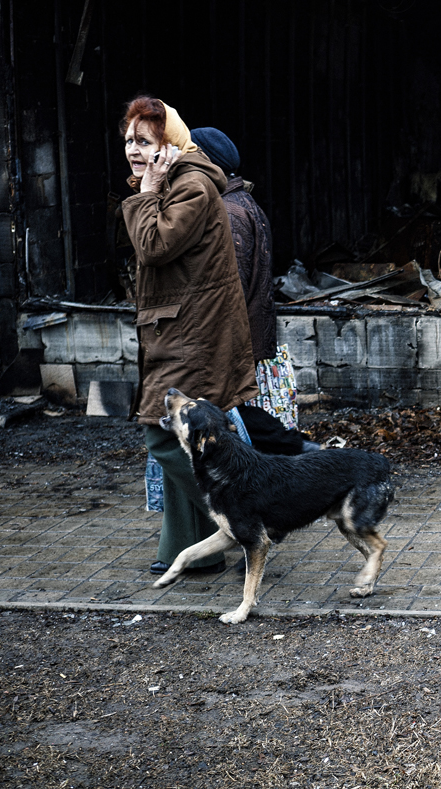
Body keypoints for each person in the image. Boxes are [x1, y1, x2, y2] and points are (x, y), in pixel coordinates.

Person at [120, 96, 258, 576]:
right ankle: (187, 550)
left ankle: (244, 517)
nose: (134, 150)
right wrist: (150, 187)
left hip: (193, 335)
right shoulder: (176, 182)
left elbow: (154, 246)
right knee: (181, 440)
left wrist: (146, 191)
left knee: (164, 434)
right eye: (129, 141)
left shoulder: (192, 185)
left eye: (144, 141)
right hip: (180, 329)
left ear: (169, 143)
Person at [190, 126, 310, 453]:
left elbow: (231, 290)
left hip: (231, 342)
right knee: (232, 416)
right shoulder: (239, 203)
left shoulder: (227, 213)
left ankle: (297, 449)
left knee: (234, 416)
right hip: (239, 340)